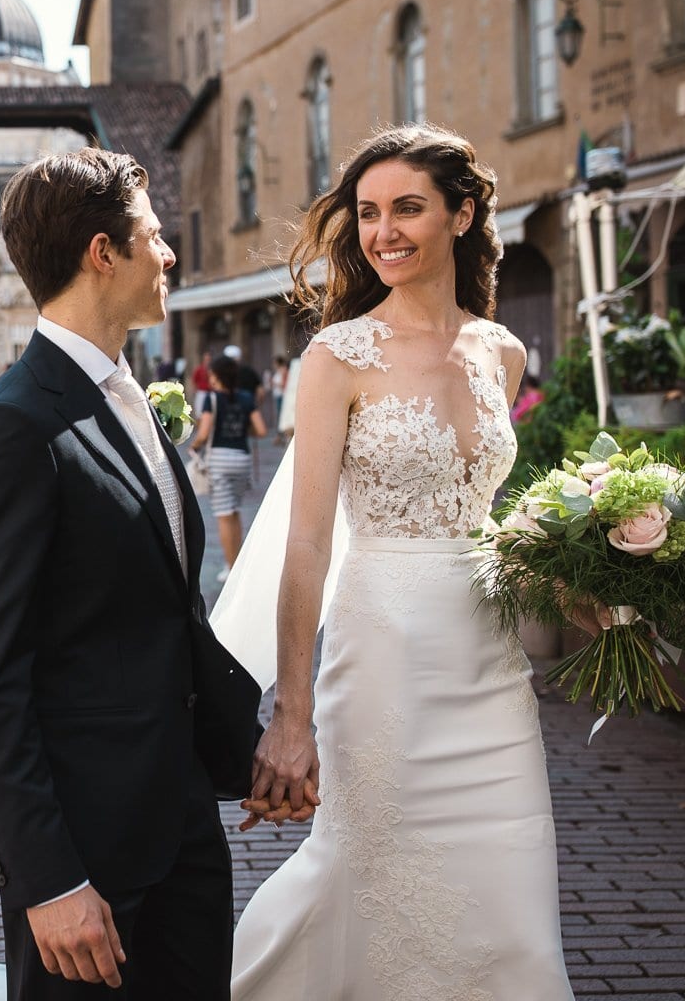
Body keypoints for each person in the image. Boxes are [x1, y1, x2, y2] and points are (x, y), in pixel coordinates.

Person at [211, 124, 574, 998]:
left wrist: (584, 576)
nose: (384, 233)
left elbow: (485, 518)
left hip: (489, 667)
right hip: (381, 661)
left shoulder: (504, 351)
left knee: (508, 889)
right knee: (363, 874)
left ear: (463, 212)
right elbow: (306, 543)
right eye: (369, 214)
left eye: (407, 208)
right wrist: (290, 716)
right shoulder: (338, 357)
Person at [0, 147, 265, 998]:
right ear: (101, 253)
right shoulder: (13, 426)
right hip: (82, 859)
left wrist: (245, 751)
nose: (169, 255)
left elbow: (166, 610)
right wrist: (46, 878)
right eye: (153, 237)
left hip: (181, 830)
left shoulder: (132, 397)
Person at [188, 354, 268, 585]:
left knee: (223, 515)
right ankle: (237, 562)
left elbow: (203, 434)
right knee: (234, 511)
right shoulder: (246, 398)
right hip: (242, 458)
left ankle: (230, 567)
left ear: (216, 376)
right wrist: (242, 433)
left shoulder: (211, 400)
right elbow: (261, 430)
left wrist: (193, 445)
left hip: (219, 461)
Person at [267, 355, 289, 444]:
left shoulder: (283, 370)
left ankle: (282, 436)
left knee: (281, 415)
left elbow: (284, 384)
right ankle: (280, 435)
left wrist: (274, 383)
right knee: (279, 415)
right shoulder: (277, 371)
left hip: (282, 396)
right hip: (278, 395)